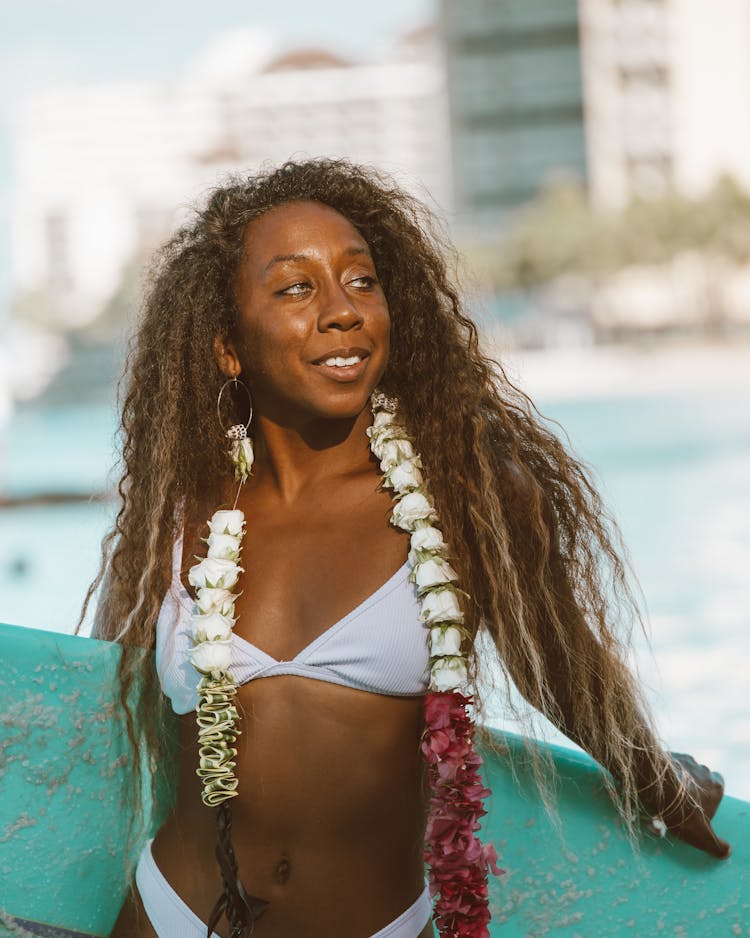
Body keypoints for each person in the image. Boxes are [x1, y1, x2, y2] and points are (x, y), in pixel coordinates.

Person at [84, 158, 729, 938]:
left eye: (361, 281)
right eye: (296, 288)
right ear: (228, 347)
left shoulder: (466, 495)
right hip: (173, 914)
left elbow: (561, 666)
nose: (342, 311)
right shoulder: (182, 507)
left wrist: (657, 784)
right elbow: (103, 685)